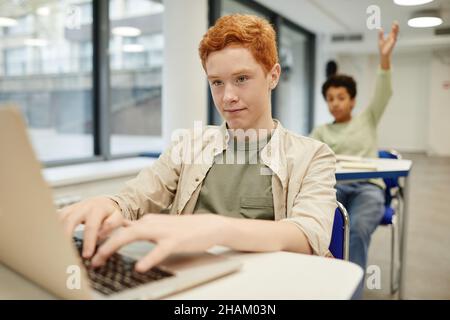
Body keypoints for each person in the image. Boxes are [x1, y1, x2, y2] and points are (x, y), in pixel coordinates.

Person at [61, 14, 337, 273]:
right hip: (191, 277)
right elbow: (139, 195)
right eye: (217, 82)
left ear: (273, 76)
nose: (227, 96)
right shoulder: (189, 144)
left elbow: (308, 234)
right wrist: (110, 203)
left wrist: (216, 229)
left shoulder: (313, 155)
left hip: (266, 284)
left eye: (241, 79)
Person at [310, 22, 399, 296]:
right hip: (333, 188)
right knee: (318, 229)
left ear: (352, 101)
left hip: (368, 187)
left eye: (340, 97)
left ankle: (352, 292)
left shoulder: (367, 119)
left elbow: (383, 92)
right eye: (329, 98)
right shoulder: (320, 131)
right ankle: (324, 286)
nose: (334, 103)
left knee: (357, 230)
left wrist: (385, 57)